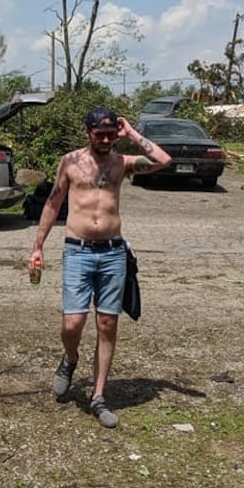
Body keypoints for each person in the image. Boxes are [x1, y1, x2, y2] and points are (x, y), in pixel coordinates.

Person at [28, 106, 171, 428]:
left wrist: (132, 133)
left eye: (111, 134)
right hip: (77, 250)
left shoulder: (122, 163)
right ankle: (71, 359)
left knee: (107, 324)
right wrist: (37, 246)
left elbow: (164, 161)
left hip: (112, 252)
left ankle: (99, 396)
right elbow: (53, 203)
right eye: (99, 134)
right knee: (72, 324)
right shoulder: (70, 162)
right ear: (87, 133)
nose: (106, 139)